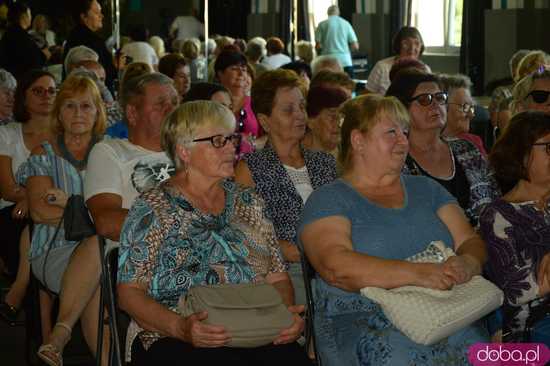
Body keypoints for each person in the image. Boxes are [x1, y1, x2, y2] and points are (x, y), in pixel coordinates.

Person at [299, 94, 489, 366]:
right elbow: (336, 267)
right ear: (358, 141)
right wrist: (418, 275)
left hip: (442, 312)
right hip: (366, 319)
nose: (403, 140)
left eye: (405, 131)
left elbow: (469, 240)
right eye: (391, 132)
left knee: (484, 353)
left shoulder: (426, 189)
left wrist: (467, 263)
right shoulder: (329, 199)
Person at [117, 101, 310, 365]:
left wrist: (284, 317)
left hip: (254, 328)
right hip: (177, 334)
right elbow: (129, 293)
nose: (233, 147)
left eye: (231, 138)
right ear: (184, 151)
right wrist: (181, 328)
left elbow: (277, 277)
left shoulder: (249, 201)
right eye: (218, 140)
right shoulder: (153, 207)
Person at [15, 74, 108, 366]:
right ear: (58, 112)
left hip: (101, 253)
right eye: (69, 106)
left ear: (97, 112)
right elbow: (41, 212)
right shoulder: (43, 154)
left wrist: (69, 204)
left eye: (86, 106)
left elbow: (129, 208)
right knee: (97, 252)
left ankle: (58, 338)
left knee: (96, 270)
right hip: (54, 249)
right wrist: (95, 216)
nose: (78, 113)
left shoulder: (110, 152)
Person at [234, 69, 337, 305]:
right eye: (288, 110)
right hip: (285, 271)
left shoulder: (325, 162)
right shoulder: (251, 168)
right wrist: (278, 247)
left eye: (301, 107)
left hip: (333, 263)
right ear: (265, 121)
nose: (300, 116)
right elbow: (239, 232)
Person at [386, 70, 500, 226]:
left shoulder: (467, 150)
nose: (435, 105)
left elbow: (496, 201)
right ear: (402, 109)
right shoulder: (395, 161)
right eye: (425, 99)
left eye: (440, 98)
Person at [479, 111, 550, 343]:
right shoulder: (499, 216)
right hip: (534, 326)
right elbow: (517, 289)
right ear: (521, 155)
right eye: (549, 147)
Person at [85, 72, 178, 250]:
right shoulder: (109, 152)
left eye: (174, 103)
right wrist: (179, 227)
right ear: (132, 112)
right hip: (138, 257)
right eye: (160, 104)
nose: (171, 110)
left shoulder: (189, 153)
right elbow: (107, 221)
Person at [0, 70, 56, 324]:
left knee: (41, 228)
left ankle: (20, 291)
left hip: (56, 214)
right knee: (34, 228)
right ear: (24, 96)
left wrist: (31, 198)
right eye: (38, 90)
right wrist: (35, 196)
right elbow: (7, 188)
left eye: (52, 91)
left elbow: (70, 184)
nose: (46, 96)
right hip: (14, 212)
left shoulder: (65, 135)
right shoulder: (7, 134)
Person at [63, 0, 116, 92]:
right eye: (96, 12)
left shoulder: (72, 37)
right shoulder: (93, 41)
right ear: (84, 16)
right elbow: (108, 74)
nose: (101, 16)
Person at [215, 49, 260, 155]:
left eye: (244, 69)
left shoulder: (256, 103)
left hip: (250, 164)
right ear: (220, 74)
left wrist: (252, 144)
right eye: (234, 69)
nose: (241, 74)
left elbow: (271, 134)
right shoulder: (211, 102)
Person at [366, 26, 430, 95]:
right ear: (398, 45)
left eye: (417, 43)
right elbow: (367, 98)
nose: (412, 48)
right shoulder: (382, 67)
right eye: (406, 43)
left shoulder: (425, 70)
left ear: (421, 47)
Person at [439, 73, 487, 155]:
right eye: (465, 107)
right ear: (442, 107)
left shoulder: (473, 143)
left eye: (471, 107)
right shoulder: (423, 147)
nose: (471, 115)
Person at [0, 2, 49, 81]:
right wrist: (44, 55)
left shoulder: (9, 33)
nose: (31, 17)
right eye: (30, 14)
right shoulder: (20, 36)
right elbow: (32, 59)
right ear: (24, 16)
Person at [302, 85, 349, 156]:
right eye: (332, 116)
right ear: (310, 121)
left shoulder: (347, 155)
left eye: (342, 117)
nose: (340, 124)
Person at [314, 5, 359, 77]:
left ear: (327, 13)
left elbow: (318, 46)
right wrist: (346, 52)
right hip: (345, 61)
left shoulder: (321, 24)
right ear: (338, 13)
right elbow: (355, 46)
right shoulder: (346, 24)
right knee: (348, 86)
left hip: (327, 62)